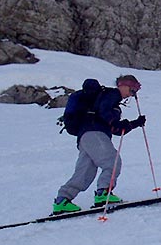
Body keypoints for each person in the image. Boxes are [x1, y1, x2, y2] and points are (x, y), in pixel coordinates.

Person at [53, 74, 146, 214]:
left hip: (85, 136)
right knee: (112, 162)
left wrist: (134, 124)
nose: (132, 94)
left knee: (85, 171)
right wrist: (116, 122)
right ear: (123, 85)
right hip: (95, 133)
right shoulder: (111, 94)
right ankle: (103, 193)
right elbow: (106, 114)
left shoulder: (108, 100)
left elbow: (116, 129)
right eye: (132, 89)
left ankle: (63, 200)